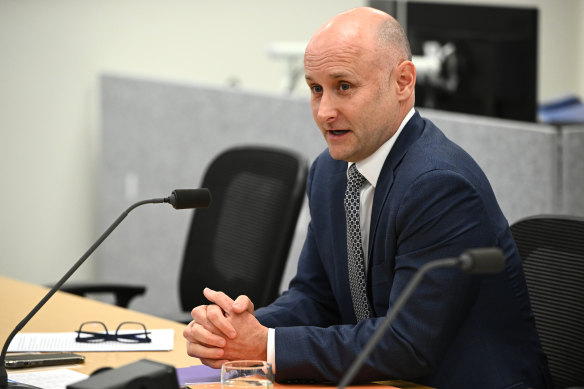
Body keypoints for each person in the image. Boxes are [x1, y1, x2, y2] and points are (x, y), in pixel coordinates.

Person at [183, 7, 551, 388]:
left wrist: (267, 345)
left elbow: (407, 343)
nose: (325, 111)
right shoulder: (329, 172)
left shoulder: (439, 185)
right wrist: (240, 330)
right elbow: (316, 297)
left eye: (344, 86)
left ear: (403, 82)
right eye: (315, 89)